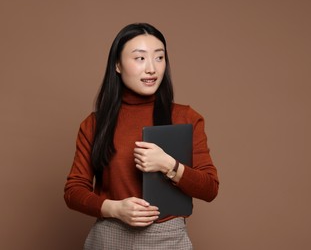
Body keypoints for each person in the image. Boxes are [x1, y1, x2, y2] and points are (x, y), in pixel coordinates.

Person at [64, 23, 219, 249]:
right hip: (109, 236)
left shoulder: (186, 117)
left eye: (159, 58)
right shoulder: (95, 124)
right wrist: (114, 208)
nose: (151, 69)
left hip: (168, 238)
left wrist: (169, 165)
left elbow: (210, 189)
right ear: (117, 65)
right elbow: (73, 191)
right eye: (140, 58)